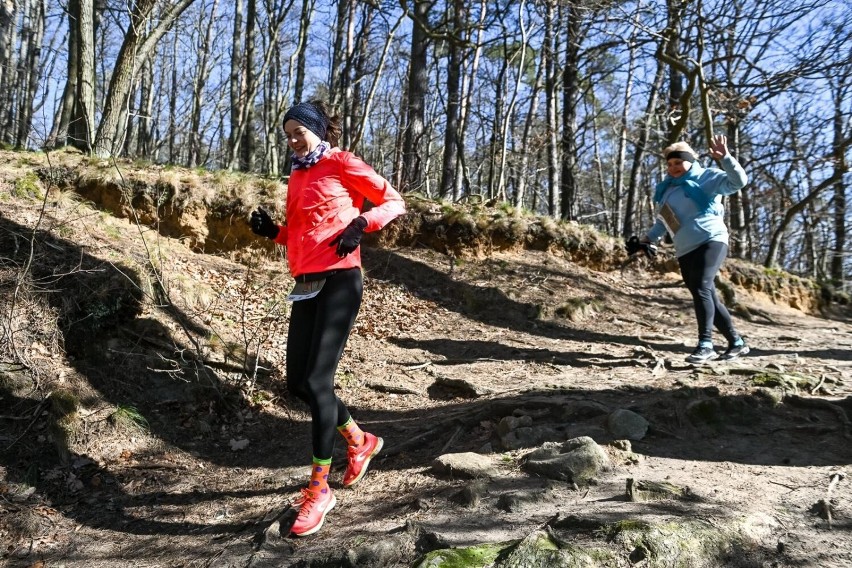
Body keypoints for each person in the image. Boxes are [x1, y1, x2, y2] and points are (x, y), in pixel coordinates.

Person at [249, 100, 405, 536]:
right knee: (297, 382)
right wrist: (274, 233)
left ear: (318, 131)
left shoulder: (342, 162)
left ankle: (320, 489)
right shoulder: (297, 175)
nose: (294, 140)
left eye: (300, 131)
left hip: (340, 279)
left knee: (319, 381)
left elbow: (393, 201)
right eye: (288, 134)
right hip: (305, 283)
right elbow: (303, 231)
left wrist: (362, 224)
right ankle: (360, 440)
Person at [638, 134, 750, 364]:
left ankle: (705, 344)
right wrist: (647, 239)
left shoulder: (707, 176)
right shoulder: (668, 190)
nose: (673, 167)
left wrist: (726, 158)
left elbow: (738, 182)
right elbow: (664, 222)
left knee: (701, 286)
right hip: (684, 248)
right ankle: (737, 343)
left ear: (690, 160)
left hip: (712, 239)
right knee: (706, 294)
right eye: (669, 164)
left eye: (678, 162)